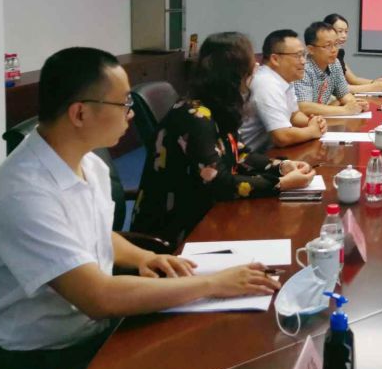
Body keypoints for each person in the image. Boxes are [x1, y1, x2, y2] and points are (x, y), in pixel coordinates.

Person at [0, 48, 279, 369]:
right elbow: (98, 297)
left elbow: (94, 233)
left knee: (209, 345)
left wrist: (144, 257)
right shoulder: (24, 193)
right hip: (36, 356)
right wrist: (213, 283)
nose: (131, 113)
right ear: (80, 113)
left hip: (90, 329)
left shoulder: (87, 163)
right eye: (123, 102)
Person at [131, 32, 315, 243]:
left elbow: (240, 154)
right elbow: (220, 182)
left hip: (207, 210)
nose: (256, 67)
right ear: (233, 73)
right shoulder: (196, 117)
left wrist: (281, 167)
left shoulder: (218, 106)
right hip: (177, 230)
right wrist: (279, 184)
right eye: (250, 64)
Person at [239, 29, 327, 152]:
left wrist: (313, 122)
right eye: (297, 56)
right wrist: (312, 131)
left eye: (304, 55)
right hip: (248, 158)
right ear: (275, 59)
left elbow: (294, 115)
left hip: (268, 152)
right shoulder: (266, 83)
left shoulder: (284, 79)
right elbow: (282, 137)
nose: (303, 61)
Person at [294, 21, 366, 117]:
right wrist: (345, 110)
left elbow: (343, 94)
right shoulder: (303, 68)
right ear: (311, 49)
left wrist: (355, 104)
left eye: (336, 44)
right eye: (328, 45)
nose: (334, 50)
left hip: (319, 120)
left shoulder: (335, 64)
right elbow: (304, 106)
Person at [323, 13, 382, 94]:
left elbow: (353, 79)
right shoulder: (323, 55)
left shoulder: (339, 53)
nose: (344, 36)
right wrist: (372, 87)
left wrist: (374, 82)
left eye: (346, 32)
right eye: (340, 31)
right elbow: (335, 88)